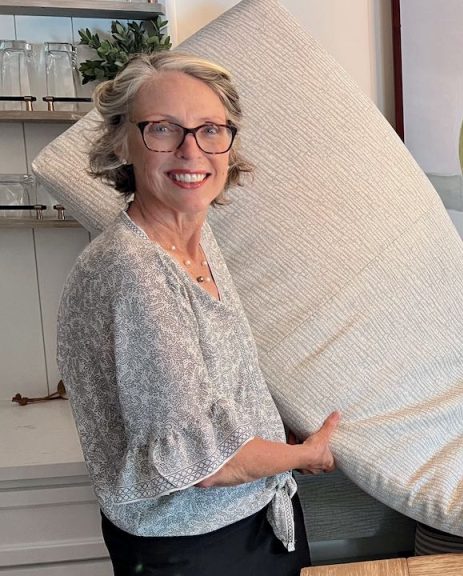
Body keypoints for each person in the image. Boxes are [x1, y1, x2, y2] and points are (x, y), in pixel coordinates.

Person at [56, 51, 339, 576]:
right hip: (196, 547)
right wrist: (308, 455)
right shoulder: (132, 271)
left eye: (210, 129)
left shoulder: (194, 234)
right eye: (163, 129)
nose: (191, 151)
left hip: (250, 519)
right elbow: (209, 464)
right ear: (123, 143)